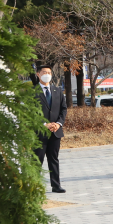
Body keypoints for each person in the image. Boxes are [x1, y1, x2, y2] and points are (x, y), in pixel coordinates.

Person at [33, 64, 67, 193]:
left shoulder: (57, 90)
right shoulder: (33, 92)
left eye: (49, 72)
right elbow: (31, 112)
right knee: (37, 160)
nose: (47, 74)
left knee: (54, 159)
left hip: (55, 132)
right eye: (44, 72)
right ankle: (35, 186)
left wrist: (58, 123)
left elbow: (63, 109)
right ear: (38, 74)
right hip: (39, 132)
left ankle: (56, 185)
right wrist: (44, 124)